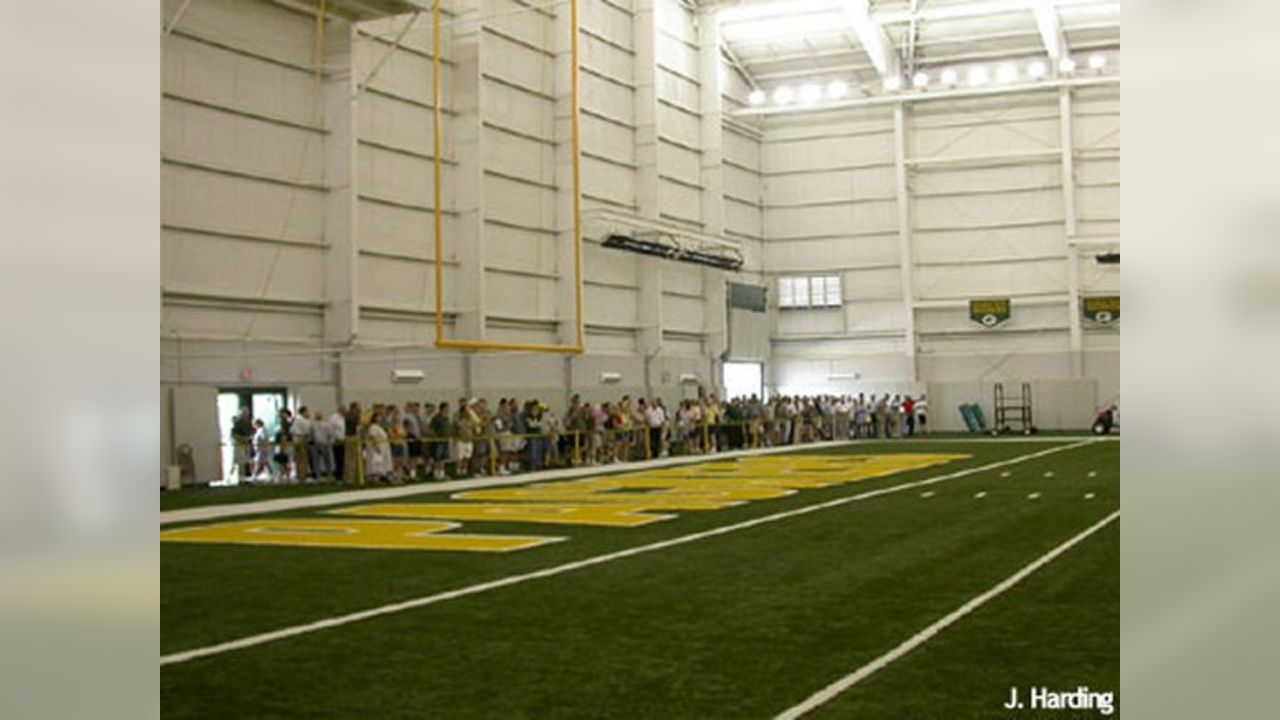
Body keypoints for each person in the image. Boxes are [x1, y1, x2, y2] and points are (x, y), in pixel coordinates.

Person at [230, 407, 254, 483]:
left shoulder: (247, 423)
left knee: (245, 461)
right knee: (241, 462)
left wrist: (248, 439)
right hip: (240, 445)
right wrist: (243, 439)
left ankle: (244, 478)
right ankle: (241, 478)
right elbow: (234, 435)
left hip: (245, 445)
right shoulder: (238, 423)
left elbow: (251, 432)